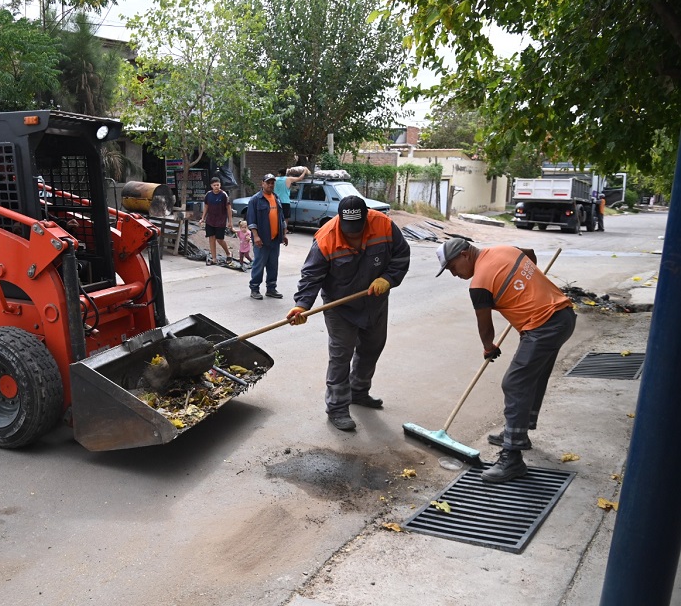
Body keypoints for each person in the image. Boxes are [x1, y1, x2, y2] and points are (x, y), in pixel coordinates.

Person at [436, 238, 577, 483]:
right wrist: (523, 284)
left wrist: (488, 347)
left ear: (465, 255)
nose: (454, 274)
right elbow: (530, 253)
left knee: (515, 383)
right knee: (533, 376)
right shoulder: (504, 250)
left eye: (452, 267)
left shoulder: (479, 284)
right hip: (563, 316)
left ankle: (512, 458)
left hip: (543, 326)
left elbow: (485, 325)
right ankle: (518, 432)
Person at [285, 195, 410, 431]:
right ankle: (337, 407)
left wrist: (388, 278)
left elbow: (401, 256)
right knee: (341, 355)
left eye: (358, 229)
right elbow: (311, 276)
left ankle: (359, 391)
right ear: (339, 220)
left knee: (372, 346)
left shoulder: (383, 224)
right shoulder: (326, 238)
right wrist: (302, 305)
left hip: (375, 300)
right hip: (339, 306)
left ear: (366, 219)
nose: (353, 235)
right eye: (348, 229)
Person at [246, 173, 288, 299]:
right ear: (262, 183)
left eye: (272, 183)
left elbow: (281, 218)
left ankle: (271, 288)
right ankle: (254, 289)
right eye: (268, 182)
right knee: (259, 265)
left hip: (275, 239)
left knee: (273, 265)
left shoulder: (276, 198)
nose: (270, 185)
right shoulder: (255, 200)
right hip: (262, 240)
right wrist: (256, 236)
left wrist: (284, 234)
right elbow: (251, 221)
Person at [198, 176, 233, 265]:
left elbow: (228, 208)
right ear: (211, 186)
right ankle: (214, 258)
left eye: (218, 185)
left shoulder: (224, 195)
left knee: (220, 239)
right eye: (214, 185)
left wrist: (230, 221)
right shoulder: (208, 195)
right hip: (210, 220)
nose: (216, 187)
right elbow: (206, 206)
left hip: (221, 220)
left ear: (220, 185)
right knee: (211, 238)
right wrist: (203, 218)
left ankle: (228, 253)